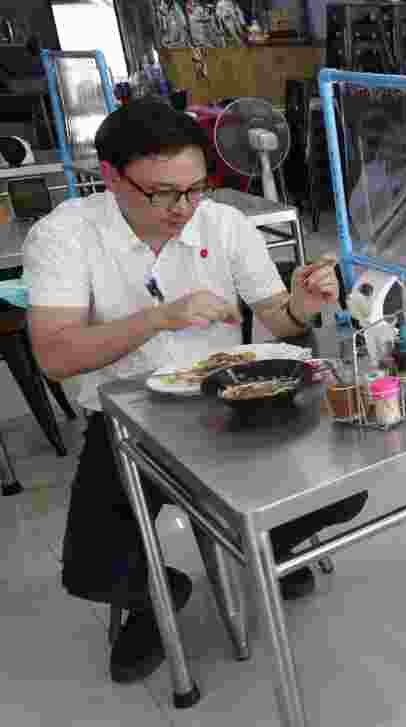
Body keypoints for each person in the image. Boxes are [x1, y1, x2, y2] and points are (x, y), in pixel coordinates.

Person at [23, 100, 367, 684]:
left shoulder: (223, 224)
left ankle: (269, 543)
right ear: (111, 177)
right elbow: (55, 356)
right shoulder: (65, 236)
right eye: (163, 194)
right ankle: (154, 594)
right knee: (89, 569)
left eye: (196, 189)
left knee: (343, 485)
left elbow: (276, 318)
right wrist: (160, 318)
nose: (183, 209)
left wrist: (302, 305)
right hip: (128, 418)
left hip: (234, 400)